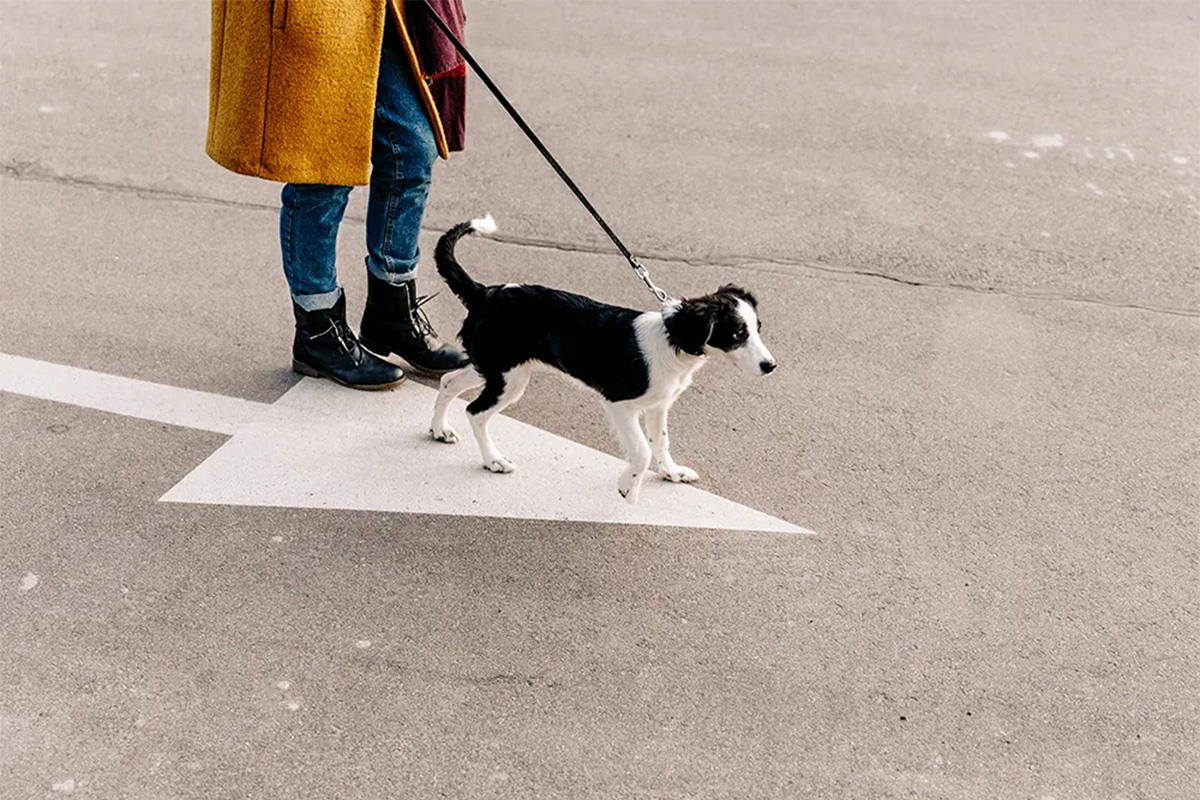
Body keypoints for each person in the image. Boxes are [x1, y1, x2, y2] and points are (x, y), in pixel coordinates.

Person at [205, 0, 470, 389]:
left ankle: (392, 312)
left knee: (413, 148)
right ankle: (318, 332)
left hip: (383, 10)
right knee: (322, 168)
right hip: (316, 13)